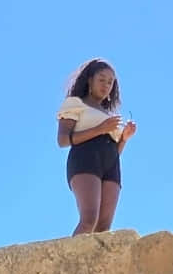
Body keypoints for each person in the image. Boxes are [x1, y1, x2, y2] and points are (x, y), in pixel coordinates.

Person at [57, 58, 137, 233]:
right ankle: (74, 252)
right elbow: (63, 140)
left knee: (104, 227)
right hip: (85, 159)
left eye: (110, 82)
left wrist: (124, 138)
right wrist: (100, 129)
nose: (106, 85)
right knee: (89, 219)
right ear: (89, 80)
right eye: (101, 79)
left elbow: (115, 152)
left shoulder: (109, 114)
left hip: (111, 165)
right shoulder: (75, 104)